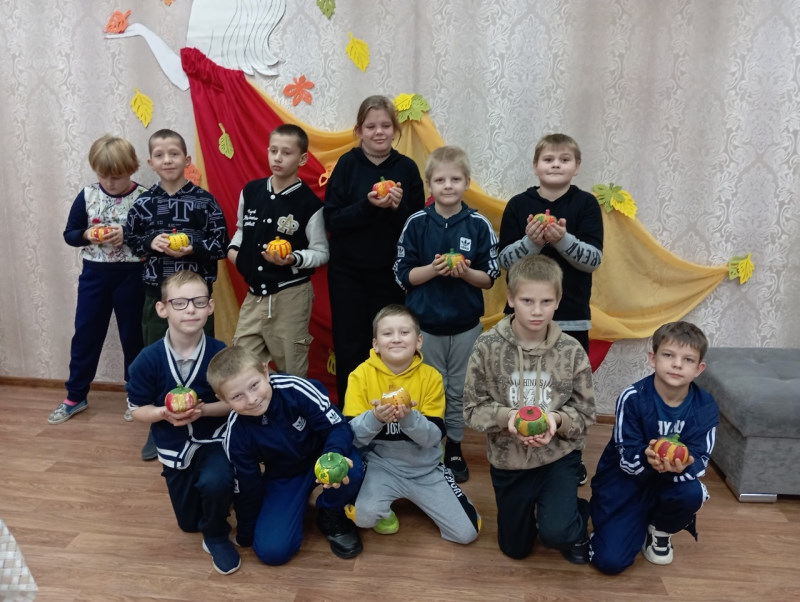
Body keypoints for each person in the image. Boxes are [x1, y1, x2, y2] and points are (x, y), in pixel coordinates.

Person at [463, 255, 596, 564]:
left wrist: (556, 420)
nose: (537, 311)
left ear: (558, 301)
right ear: (510, 299)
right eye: (527, 301)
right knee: (515, 549)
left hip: (558, 457)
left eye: (546, 301)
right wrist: (508, 418)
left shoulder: (572, 351)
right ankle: (543, 511)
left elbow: (587, 412)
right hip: (508, 460)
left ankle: (571, 514)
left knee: (558, 534)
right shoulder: (486, 347)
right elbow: (471, 409)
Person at [498, 133, 603, 487]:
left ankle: (571, 455)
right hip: (521, 323)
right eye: (548, 159)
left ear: (576, 166)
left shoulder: (586, 205)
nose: (556, 164)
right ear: (535, 166)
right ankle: (523, 447)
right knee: (523, 387)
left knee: (569, 390)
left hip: (571, 318)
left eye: (564, 159)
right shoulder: (518, 205)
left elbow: (593, 260)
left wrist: (562, 239)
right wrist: (532, 242)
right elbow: (504, 262)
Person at [393, 146, 499, 482]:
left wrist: (465, 273)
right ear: (429, 185)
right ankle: (429, 444)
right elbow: (402, 275)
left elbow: (490, 277)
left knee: (458, 390)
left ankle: (453, 445)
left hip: (466, 327)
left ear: (467, 182)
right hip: (425, 327)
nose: (448, 185)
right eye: (440, 180)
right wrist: (434, 269)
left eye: (455, 179)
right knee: (429, 388)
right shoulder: (417, 223)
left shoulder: (479, 224)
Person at [125, 270, 240, 575]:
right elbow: (137, 410)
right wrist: (163, 414)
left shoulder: (220, 354)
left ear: (210, 307)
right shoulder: (147, 360)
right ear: (162, 309)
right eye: (179, 303)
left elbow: (233, 403)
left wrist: (204, 411)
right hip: (174, 446)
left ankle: (217, 533)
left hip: (214, 439)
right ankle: (219, 501)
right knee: (189, 524)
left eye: (199, 301)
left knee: (216, 480)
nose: (190, 309)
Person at [207, 346, 365, 565]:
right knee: (272, 551)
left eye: (254, 385)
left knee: (353, 470)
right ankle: (291, 506)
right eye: (237, 396)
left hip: (323, 455)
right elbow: (248, 485)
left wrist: (333, 455)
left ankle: (331, 512)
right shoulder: (235, 434)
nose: (252, 399)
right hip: (284, 475)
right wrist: (246, 532)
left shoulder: (295, 389)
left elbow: (338, 426)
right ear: (222, 398)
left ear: (265, 372)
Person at [125, 128, 229, 460]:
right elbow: (131, 241)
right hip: (159, 294)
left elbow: (221, 245)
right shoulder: (144, 203)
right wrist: (149, 243)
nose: (167, 160)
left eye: (174, 153)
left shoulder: (204, 201)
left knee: (202, 356)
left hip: (196, 298)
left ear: (187, 159)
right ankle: (159, 425)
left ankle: (206, 417)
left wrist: (194, 246)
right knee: (159, 354)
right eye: (159, 155)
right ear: (150, 163)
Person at [342, 304, 481, 543]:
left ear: (418, 341)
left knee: (467, 533)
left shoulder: (431, 377)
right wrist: (375, 418)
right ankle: (385, 509)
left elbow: (433, 437)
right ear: (375, 344)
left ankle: (430, 496)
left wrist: (409, 418)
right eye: (387, 333)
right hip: (381, 466)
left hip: (425, 468)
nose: (396, 339)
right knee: (363, 517)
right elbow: (351, 437)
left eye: (404, 332)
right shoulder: (359, 376)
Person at [589, 321, 719, 574]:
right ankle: (623, 520)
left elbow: (701, 458)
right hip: (626, 481)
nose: (677, 364)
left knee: (692, 492)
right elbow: (626, 456)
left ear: (699, 369)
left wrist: (685, 464)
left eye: (688, 359)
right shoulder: (632, 397)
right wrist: (647, 458)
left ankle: (659, 529)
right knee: (610, 561)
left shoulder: (705, 405)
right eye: (668, 355)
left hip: (671, 481)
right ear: (653, 359)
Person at [324, 95, 426, 403]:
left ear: (395, 129)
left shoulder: (406, 168)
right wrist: (368, 206)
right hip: (348, 273)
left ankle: (390, 406)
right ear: (359, 130)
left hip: (390, 274)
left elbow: (418, 227)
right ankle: (352, 411)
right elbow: (332, 219)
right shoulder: (347, 164)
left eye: (385, 125)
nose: (379, 132)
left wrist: (397, 207)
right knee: (350, 343)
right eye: (371, 126)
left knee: (390, 341)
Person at [48, 135, 148, 425]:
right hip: (94, 275)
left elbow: (152, 238)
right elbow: (70, 234)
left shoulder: (145, 197)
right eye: (103, 176)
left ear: (131, 169)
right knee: (86, 334)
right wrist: (86, 235)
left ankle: (136, 395)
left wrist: (127, 236)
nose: (110, 183)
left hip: (132, 276)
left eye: (116, 177)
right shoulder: (87, 195)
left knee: (134, 337)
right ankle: (75, 395)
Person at [227, 124, 328, 377]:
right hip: (254, 294)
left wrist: (294, 258)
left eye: (286, 152)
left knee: (291, 369)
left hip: (290, 296)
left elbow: (321, 252)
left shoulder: (310, 204)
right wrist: (234, 251)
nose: (278, 158)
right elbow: (241, 229)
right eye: (273, 151)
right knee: (243, 365)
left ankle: (292, 404)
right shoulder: (251, 191)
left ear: (302, 159)